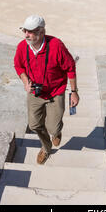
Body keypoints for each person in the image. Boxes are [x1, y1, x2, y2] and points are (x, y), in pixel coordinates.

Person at [14, 15, 79, 165]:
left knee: (52, 127)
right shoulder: (22, 47)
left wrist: (74, 92)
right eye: (25, 30)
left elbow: (70, 67)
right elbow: (19, 66)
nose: (26, 35)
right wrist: (25, 82)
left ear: (42, 32)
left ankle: (56, 132)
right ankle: (46, 147)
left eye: (30, 31)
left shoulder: (56, 46)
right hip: (35, 92)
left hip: (56, 92)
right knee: (34, 125)